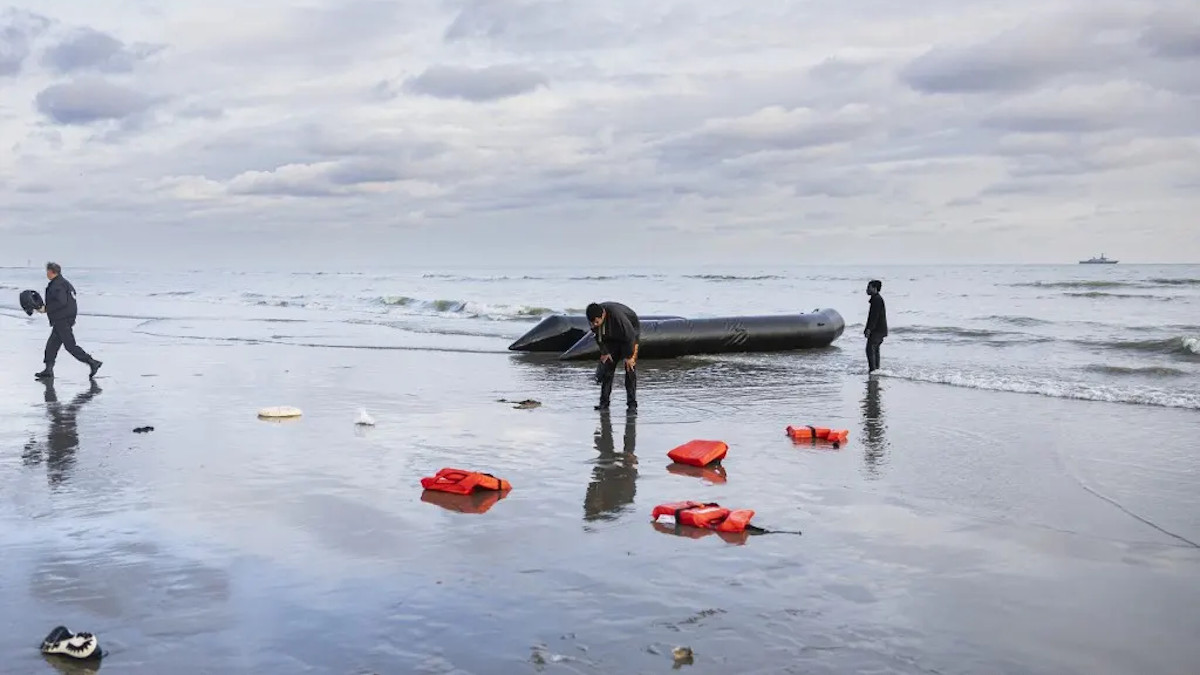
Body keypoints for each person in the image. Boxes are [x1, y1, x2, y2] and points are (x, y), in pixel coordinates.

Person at [35, 262, 102, 380]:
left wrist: (47, 308)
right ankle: (48, 369)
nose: (47, 273)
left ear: (52, 272)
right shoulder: (65, 284)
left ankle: (92, 362)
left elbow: (61, 302)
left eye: (47, 271)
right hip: (64, 318)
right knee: (52, 345)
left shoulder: (58, 285)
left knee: (70, 346)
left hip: (63, 319)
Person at [586, 301, 639, 411]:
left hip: (630, 334)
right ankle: (604, 403)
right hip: (612, 338)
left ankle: (632, 404)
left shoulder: (617, 317)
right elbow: (598, 337)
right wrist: (605, 352)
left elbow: (630, 336)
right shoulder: (593, 320)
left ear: (603, 315)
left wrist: (629, 357)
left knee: (630, 369)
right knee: (607, 368)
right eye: (592, 323)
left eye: (596, 322)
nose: (594, 325)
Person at [864, 279, 887, 373]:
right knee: (875, 350)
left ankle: (873, 370)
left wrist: (869, 329)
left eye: (869, 287)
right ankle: (876, 370)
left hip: (877, 330)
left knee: (870, 349)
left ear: (875, 288)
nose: (867, 290)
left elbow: (874, 316)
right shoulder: (877, 299)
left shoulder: (876, 300)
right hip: (880, 330)